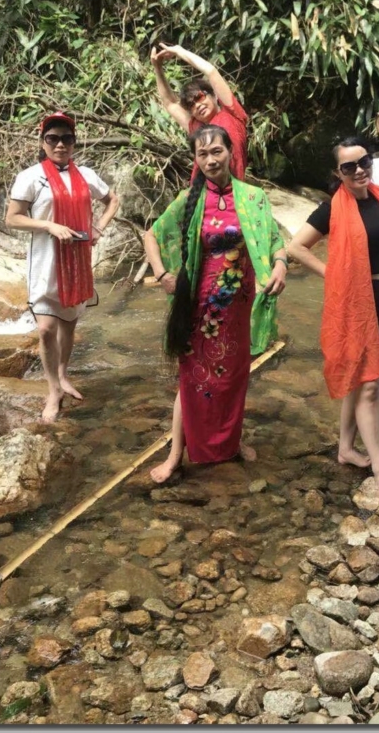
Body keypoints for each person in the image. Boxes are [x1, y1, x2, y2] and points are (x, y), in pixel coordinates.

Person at [143, 125, 287, 482]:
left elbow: (274, 241)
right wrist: (162, 274)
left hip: (239, 308)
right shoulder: (189, 200)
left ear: (231, 153)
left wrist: (281, 266)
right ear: (196, 159)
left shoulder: (253, 197)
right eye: (202, 154)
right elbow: (152, 236)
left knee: (233, 379)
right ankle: (176, 454)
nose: (210, 160)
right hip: (201, 309)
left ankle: (231, 443)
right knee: (193, 380)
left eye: (216, 151)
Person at [288, 137, 379, 508]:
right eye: (348, 167)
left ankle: (345, 448)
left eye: (363, 162)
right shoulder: (331, 208)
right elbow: (296, 248)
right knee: (369, 384)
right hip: (356, 303)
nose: (358, 171)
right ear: (338, 173)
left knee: (359, 376)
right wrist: (333, 275)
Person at [6, 112, 120, 422]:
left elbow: (112, 200)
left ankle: (63, 375)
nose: (60, 144)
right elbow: (12, 218)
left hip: (76, 263)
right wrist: (49, 225)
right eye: (53, 138)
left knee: (68, 325)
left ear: (74, 142)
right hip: (45, 263)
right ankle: (53, 389)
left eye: (66, 138)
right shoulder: (31, 177)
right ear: (43, 142)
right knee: (46, 330)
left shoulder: (86, 175)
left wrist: (98, 227)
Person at [151, 42, 249, 180]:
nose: (197, 105)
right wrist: (157, 68)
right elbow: (170, 103)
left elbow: (211, 71)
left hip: (232, 191)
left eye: (199, 97)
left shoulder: (232, 114)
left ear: (214, 96)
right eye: (191, 105)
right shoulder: (197, 127)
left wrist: (180, 51)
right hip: (200, 192)